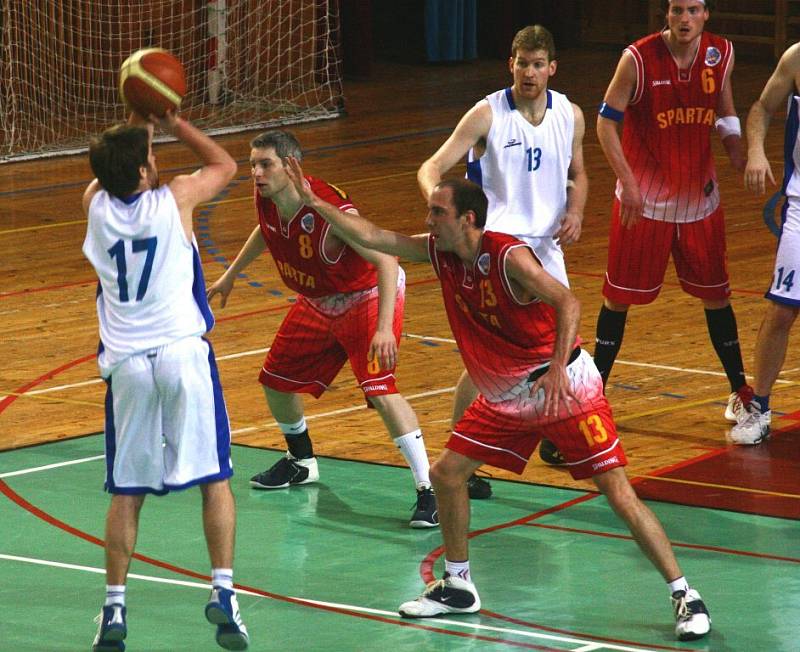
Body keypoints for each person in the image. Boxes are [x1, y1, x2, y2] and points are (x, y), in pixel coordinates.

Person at [283, 162, 711, 641]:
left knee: (617, 493)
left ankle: (684, 594)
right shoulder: (441, 253)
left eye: (438, 212)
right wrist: (316, 204)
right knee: (446, 475)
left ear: (468, 219)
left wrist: (554, 368)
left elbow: (567, 302)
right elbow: (379, 237)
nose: (429, 221)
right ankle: (459, 585)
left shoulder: (508, 256)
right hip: (504, 393)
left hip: (563, 387)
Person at [206, 130, 437, 528]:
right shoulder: (267, 196)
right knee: (276, 381)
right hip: (318, 299)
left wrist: (384, 327)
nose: (256, 173)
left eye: (265, 165)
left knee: (380, 391)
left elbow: (387, 262)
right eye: (252, 165)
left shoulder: (331, 214)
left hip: (365, 295)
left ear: (292, 166)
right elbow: (267, 230)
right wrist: (230, 275)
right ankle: (301, 461)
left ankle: (427, 490)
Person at [82, 112, 249, 651]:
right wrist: (169, 119)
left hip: (128, 366)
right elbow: (224, 164)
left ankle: (113, 609)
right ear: (147, 172)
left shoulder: (95, 209)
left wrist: (134, 123)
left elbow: (108, 173)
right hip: (181, 353)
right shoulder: (175, 197)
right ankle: (223, 593)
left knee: (126, 493)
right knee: (214, 478)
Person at [418, 24, 587, 471]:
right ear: (509, 64)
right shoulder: (487, 114)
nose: (528, 73)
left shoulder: (570, 113)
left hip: (546, 249)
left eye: (537, 64)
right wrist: (442, 212)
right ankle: (461, 453)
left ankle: (561, 433)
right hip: (498, 250)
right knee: (489, 360)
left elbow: (580, 174)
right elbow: (431, 166)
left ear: (551, 68)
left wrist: (577, 210)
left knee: (564, 348)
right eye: (521, 64)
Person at [593, 0, 753, 422]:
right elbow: (606, 123)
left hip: (701, 202)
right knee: (617, 300)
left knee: (718, 297)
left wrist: (740, 156)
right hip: (643, 204)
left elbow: (725, 112)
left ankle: (741, 393)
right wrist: (627, 181)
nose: (684, 18)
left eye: (693, 10)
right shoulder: (638, 58)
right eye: (677, 10)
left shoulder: (722, 53)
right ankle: (591, 399)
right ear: (666, 14)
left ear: (706, 14)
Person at [730, 42, 800, 444]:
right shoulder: (796, 58)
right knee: (782, 310)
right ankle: (759, 406)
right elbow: (761, 107)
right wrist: (756, 151)